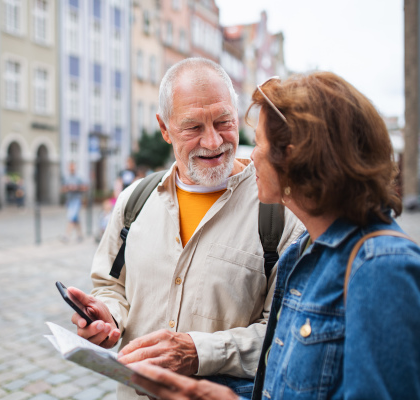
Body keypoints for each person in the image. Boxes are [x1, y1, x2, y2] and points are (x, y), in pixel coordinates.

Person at [127, 72, 420, 399]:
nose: (252, 155)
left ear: (297, 159)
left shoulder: (380, 268)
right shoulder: (303, 251)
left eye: (261, 143)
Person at [67, 57, 305, 399]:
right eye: (193, 127)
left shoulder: (280, 212)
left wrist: (198, 352)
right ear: (165, 129)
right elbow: (110, 285)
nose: (212, 142)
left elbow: (285, 334)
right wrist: (109, 317)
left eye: (224, 122)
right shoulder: (135, 200)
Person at [60, 162, 88, 243]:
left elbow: (85, 188)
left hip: (77, 200)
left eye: (73, 167)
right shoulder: (66, 178)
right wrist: (68, 188)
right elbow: (62, 189)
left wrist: (76, 188)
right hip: (69, 200)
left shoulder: (79, 178)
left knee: (71, 217)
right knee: (76, 218)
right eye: (70, 167)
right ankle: (80, 235)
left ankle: (66, 235)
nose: (71, 169)